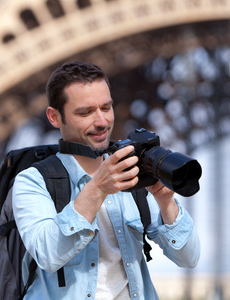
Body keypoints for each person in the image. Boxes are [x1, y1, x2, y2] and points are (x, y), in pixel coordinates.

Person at [12, 61, 200, 299]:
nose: (101, 122)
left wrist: (166, 202)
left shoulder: (132, 177)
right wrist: (98, 187)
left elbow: (189, 258)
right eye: (86, 112)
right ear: (55, 117)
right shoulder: (33, 181)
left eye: (106, 107)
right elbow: (48, 255)